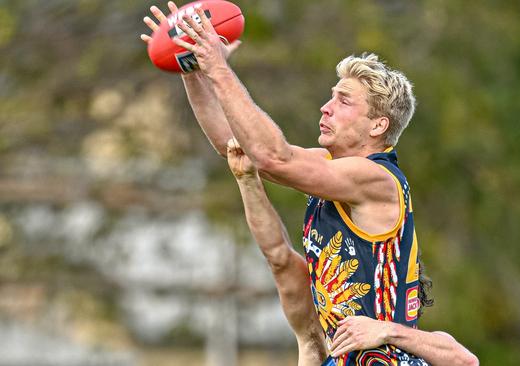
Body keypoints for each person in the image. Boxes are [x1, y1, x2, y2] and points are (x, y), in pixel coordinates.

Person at [141, 3, 478, 365]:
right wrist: (191, 66)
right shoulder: (331, 168)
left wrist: (219, 69)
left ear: (377, 126)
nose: (325, 107)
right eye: (331, 96)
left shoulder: (378, 178)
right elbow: (235, 144)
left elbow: (274, 157)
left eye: (343, 101)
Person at [226, 138, 478, 366]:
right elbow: (278, 255)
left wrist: (386, 331)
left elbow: (466, 361)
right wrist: (247, 181)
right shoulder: (320, 346)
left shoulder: (417, 347)